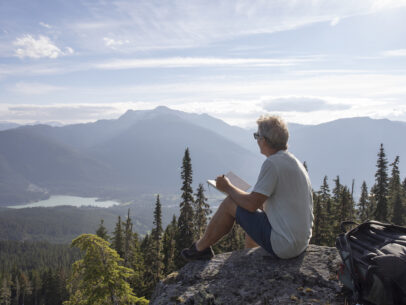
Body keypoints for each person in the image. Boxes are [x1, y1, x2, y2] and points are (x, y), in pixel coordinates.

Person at [181, 115, 313, 260]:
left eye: (257, 136)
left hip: (285, 246)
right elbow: (264, 204)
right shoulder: (292, 161)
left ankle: (200, 249)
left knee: (230, 204)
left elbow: (251, 205)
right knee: (254, 218)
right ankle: (249, 260)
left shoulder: (273, 164)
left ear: (264, 140)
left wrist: (228, 187)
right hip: (299, 242)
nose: (257, 140)